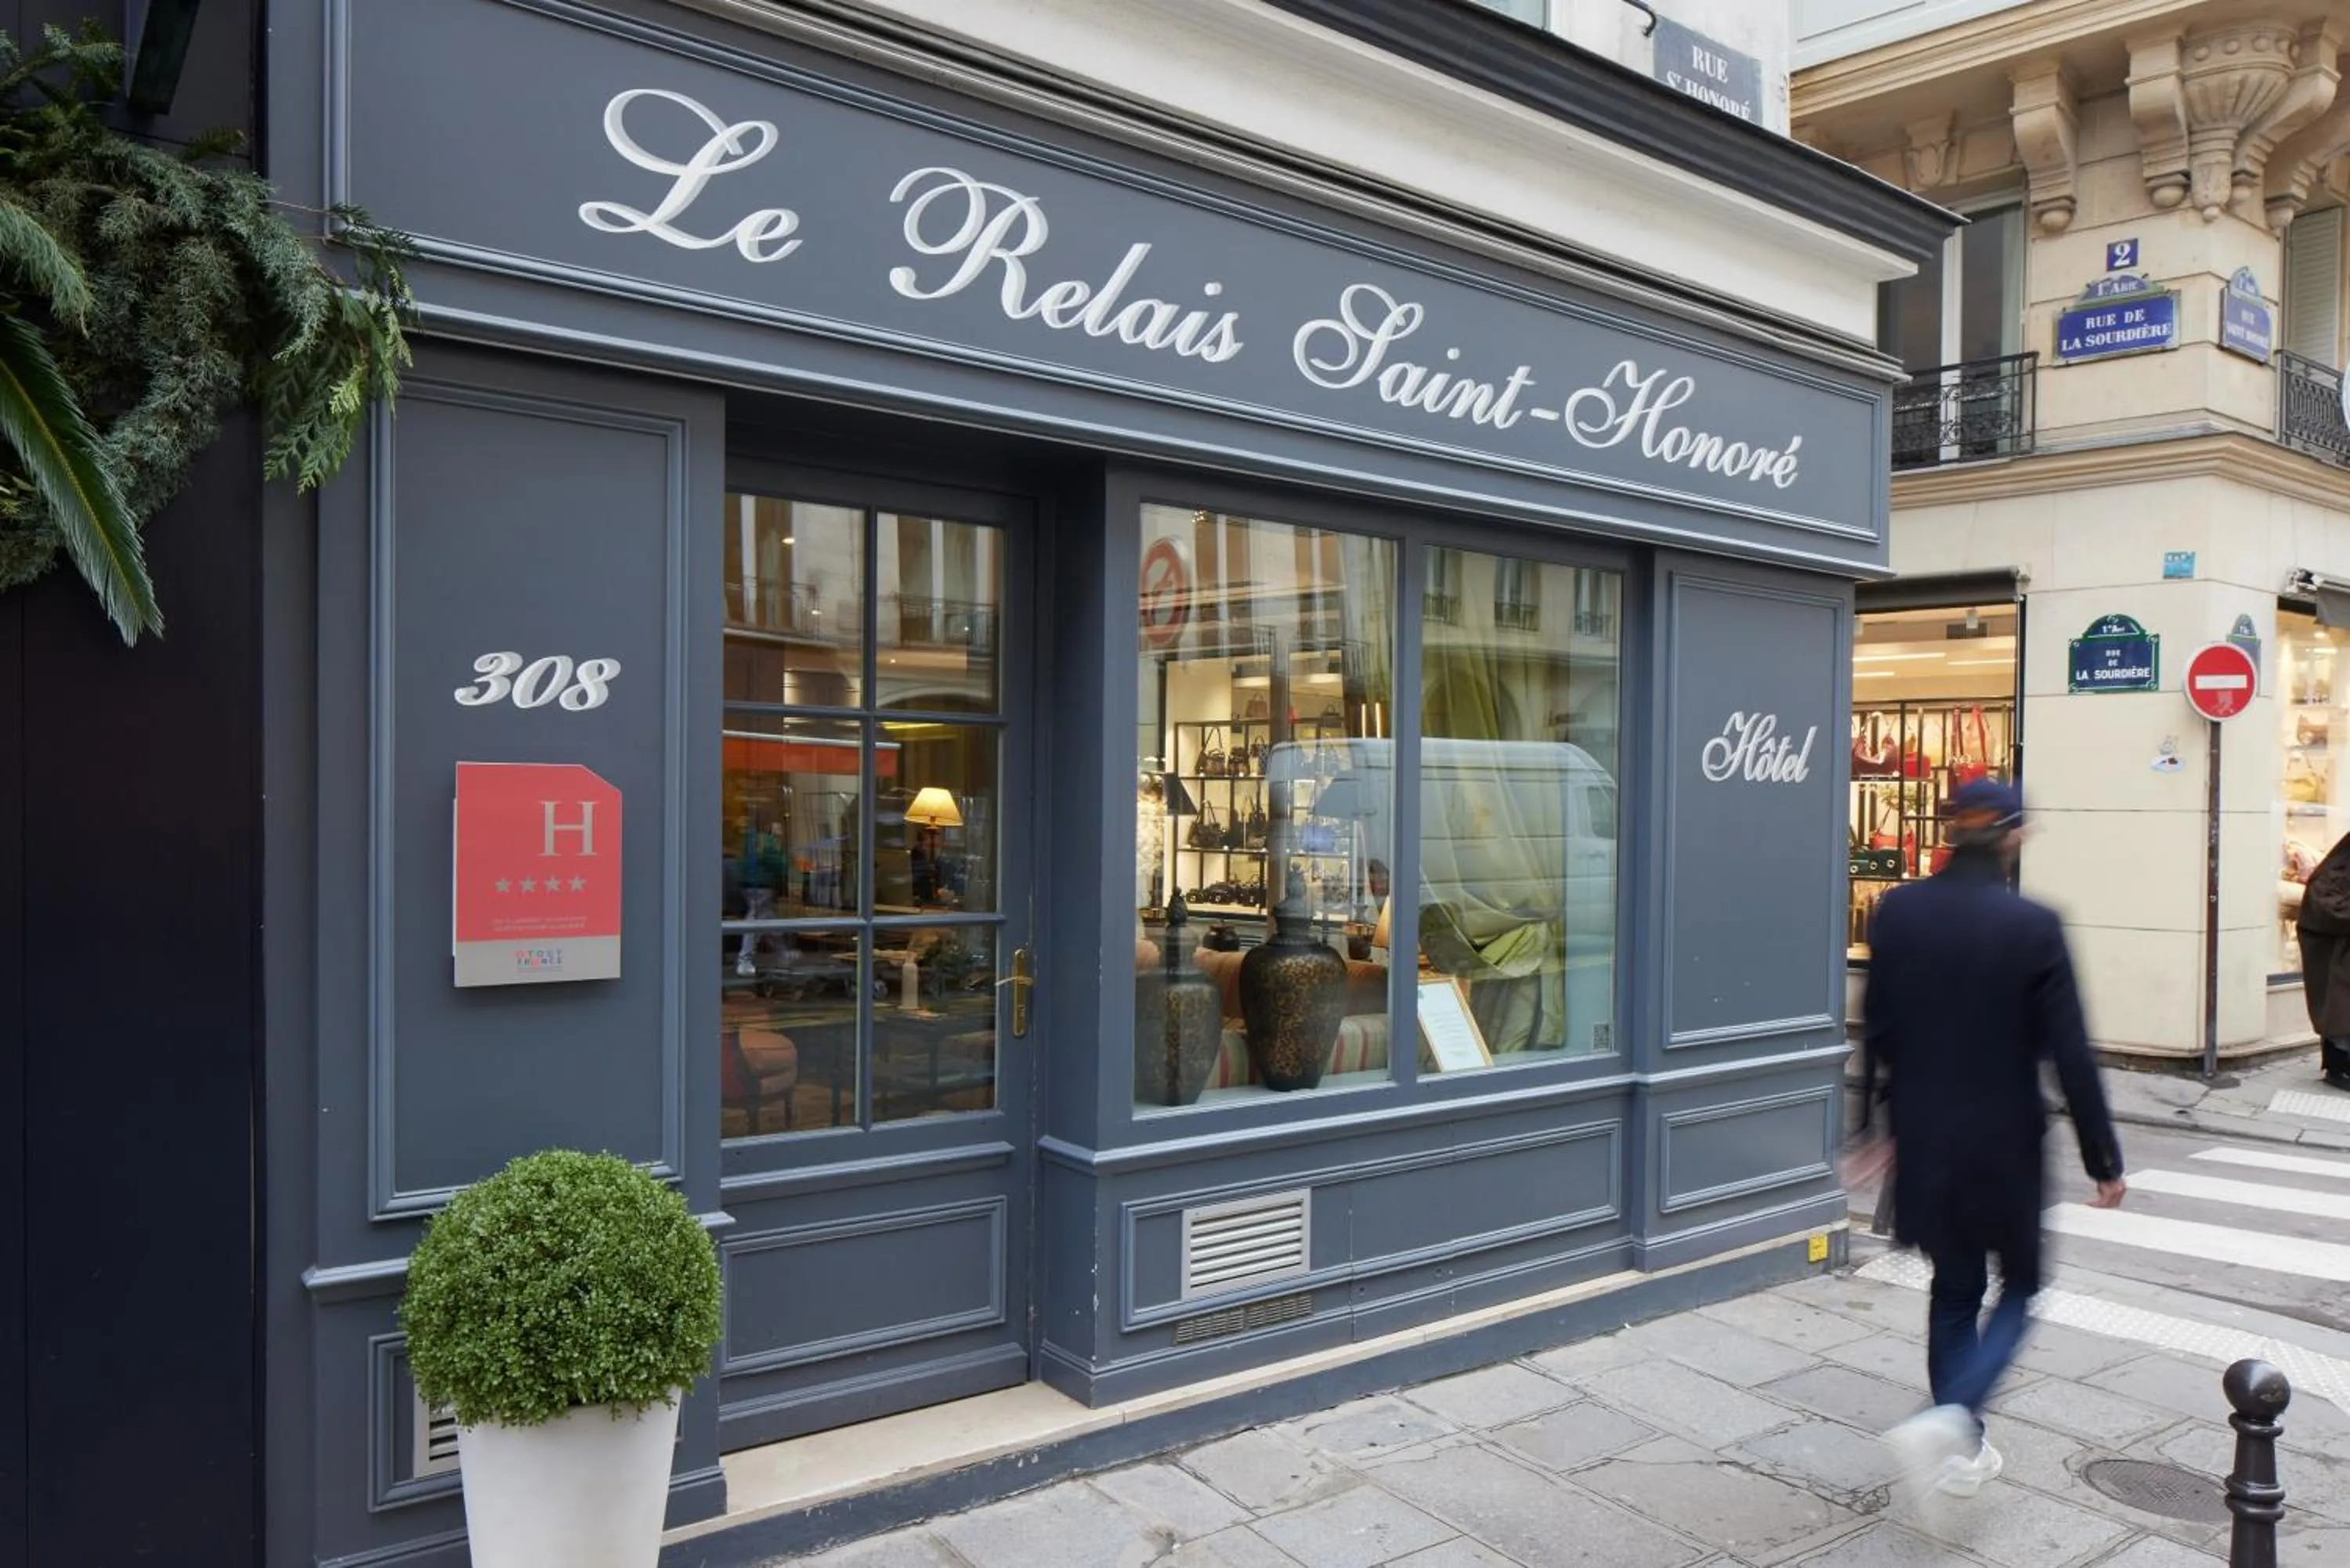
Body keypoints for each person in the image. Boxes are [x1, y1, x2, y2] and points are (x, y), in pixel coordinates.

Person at [1855, 779, 2127, 1499]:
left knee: (1953, 1288)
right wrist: (2104, 1159)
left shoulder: (1899, 911)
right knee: (2022, 1286)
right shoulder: (2034, 925)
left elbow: (1878, 1029)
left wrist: (1876, 1127)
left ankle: (1959, 1449)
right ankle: (1953, 1417)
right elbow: (2071, 1055)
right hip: (2004, 1141)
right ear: (2011, 836)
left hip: (1926, 1136)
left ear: (1951, 832)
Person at [2294, 830, 2350, 1090]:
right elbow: (2326, 905)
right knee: (2341, 1009)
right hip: (2336, 951)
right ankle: (2340, 1065)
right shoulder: (2337, 867)